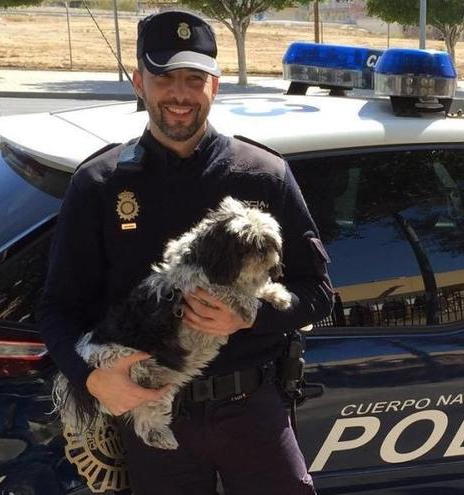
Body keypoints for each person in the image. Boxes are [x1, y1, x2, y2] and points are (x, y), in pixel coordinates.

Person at [37, 10, 333, 495]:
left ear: (214, 85)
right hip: (154, 412)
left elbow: (319, 292)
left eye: (194, 79)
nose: (179, 94)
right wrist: (90, 381)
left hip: (253, 408)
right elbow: (57, 309)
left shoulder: (263, 175)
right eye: (164, 77)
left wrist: (251, 316)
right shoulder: (100, 184)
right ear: (139, 82)